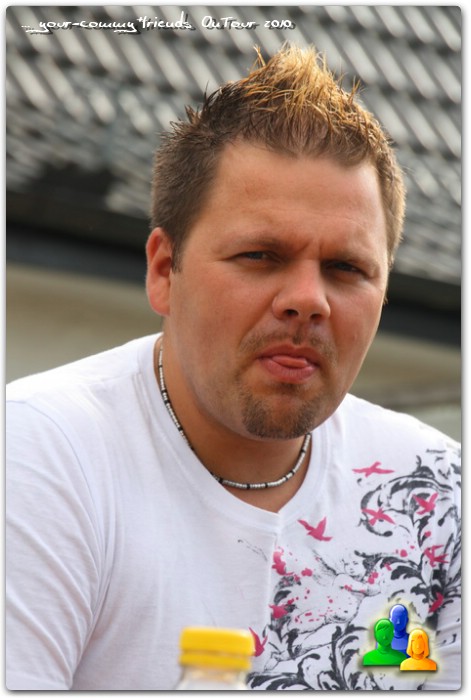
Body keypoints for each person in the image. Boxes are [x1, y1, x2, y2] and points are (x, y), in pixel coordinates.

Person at [6, 45, 461, 691]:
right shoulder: (41, 455)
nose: (307, 300)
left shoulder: (437, 494)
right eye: (260, 255)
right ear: (164, 270)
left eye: (346, 268)